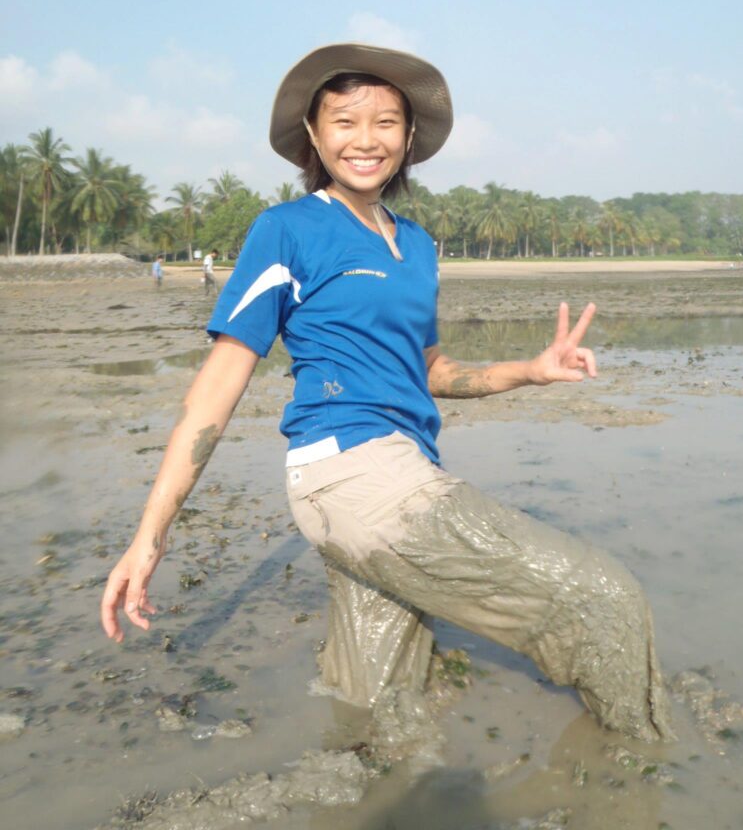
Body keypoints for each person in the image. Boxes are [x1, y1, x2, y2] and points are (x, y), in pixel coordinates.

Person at [101, 44, 673, 743]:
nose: (366, 139)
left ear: (409, 139)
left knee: (380, 701)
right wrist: (149, 537)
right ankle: (640, 773)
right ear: (312, 135)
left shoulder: (418, 245)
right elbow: (217, 385)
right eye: (344, 120)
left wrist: (529, 369)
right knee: (601, 600)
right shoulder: (288, 229)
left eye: (386, 122)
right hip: (355, 474)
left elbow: (429, 371)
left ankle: (363, 788)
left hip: (393, 472)